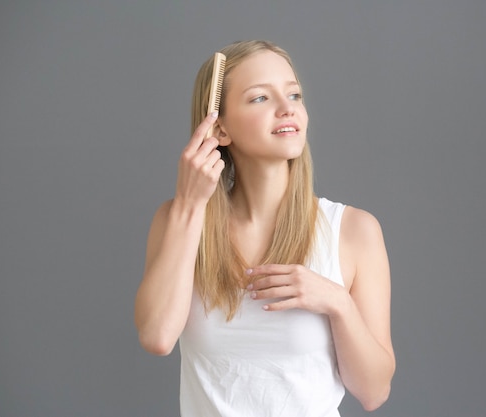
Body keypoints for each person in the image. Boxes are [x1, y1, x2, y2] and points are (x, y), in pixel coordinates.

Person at [134, 40, 395, 417]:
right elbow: (157, 337)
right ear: (219, 128)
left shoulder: (354, 230)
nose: (288, 108)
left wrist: (337, 303)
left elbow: (374, 392)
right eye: (260, 98)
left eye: (294, 94)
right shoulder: (177, 220)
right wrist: (190, 206)